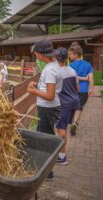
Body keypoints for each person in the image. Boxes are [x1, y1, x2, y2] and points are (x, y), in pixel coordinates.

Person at [27, 39, 61, 180]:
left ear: (40, 55)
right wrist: (38, 85)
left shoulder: (49, 70)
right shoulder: (55, 65)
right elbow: (49, 89)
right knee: (44, 136)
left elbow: (50, 95)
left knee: (45, 140)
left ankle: (47, 172)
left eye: (36, 54)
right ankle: (47, 170)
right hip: (50, 108)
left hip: (47, 109)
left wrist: (32, 91)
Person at [55, 47, 80, 164]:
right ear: (66, 58)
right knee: (63, 128)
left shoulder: (57, 73)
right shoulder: (72, 71)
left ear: (56, 58)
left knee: (62, 130)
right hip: (74, 102)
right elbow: (77, 88)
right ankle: (61, 154)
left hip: (64, 104)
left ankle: (61, 157)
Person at [68, 45, 94, 136]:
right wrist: (91, 88)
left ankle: (72, 122)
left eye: (71, 54)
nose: (69, 56)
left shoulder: (70, 65)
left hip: (73, 89)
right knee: (79, 107)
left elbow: (71, 78)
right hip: (83, 90)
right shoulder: (88, 64)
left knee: (73, 107)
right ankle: (74, 123)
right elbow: (90, 78)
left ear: (76, 55)